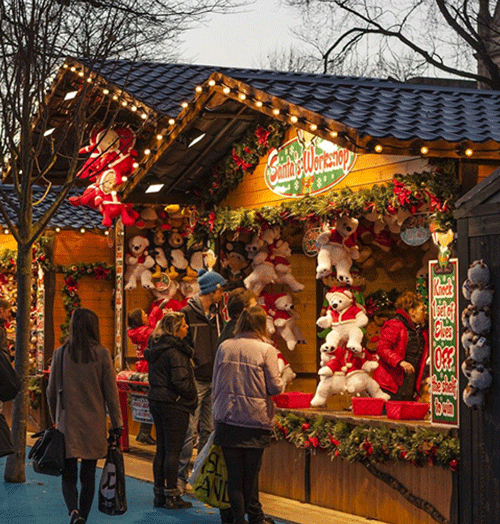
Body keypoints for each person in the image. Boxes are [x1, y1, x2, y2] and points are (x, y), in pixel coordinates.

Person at [47, 308, 123, 524]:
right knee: (88, 475)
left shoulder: (60, 354)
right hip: (94, 423)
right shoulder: (102, 354)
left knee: (68, 474)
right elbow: (111, 393)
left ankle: (73, 513)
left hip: (67, 423)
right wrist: (117, 423)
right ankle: (84, 517)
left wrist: (55, 418)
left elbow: (50, 391)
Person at [212, 306, 283, 524]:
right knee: (250, 478)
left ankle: (237, 520)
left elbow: (215, 381)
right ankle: (253, 518)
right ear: (262, 325)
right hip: (254, 421)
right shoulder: (266, 350)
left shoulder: (225, 346)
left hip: (228, 418)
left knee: (233, 477)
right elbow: (275, 387)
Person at [177, 268, 227, 492]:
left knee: (208, 429)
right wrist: (194, 359)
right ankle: (180, 476)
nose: (222, 293)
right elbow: (181, 341)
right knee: (189, 429)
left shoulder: (218, 316)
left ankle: (200, 476)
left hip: (214, 378)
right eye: (220, 289)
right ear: (212, 290)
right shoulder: (187, 313)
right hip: (196, 378)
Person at [144, 312, 197, 509]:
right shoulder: (176, 352)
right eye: (184, 326)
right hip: (174, 404)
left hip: (157, 401)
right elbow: (180, 381)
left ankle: (159, 493)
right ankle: (172, 495)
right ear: (175, 330)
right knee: (173, 450)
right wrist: (192, 396)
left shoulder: (156, 348)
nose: (187, 328)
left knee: (162, 449)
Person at [373, 291, 429, 400]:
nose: (424, 313)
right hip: (391, 384)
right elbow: (382, 348)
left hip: (408, 383)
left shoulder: (419, 329)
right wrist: (399, 361)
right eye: (422, 310)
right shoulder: (395, 324)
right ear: (412, 311)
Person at [127, 308, 156, 445]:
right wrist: (154, 319)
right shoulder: (146, 332)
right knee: (149, 401)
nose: (147, 315)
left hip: (140, 366)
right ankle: (144, 432)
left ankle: (143, 432)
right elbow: (157, 334)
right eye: (145, 314)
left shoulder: (134, 333)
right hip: (148, 367)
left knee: (143, 401)